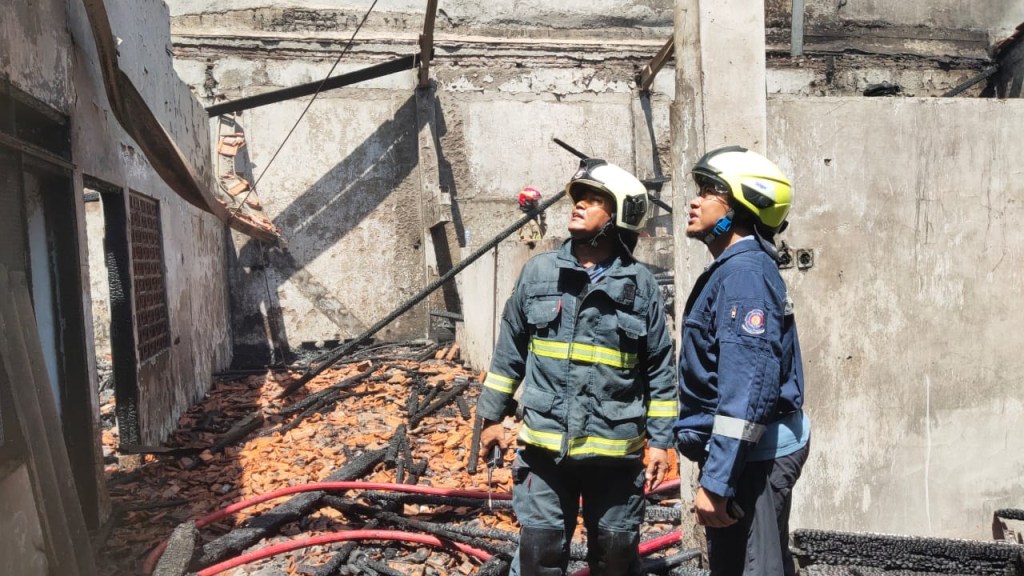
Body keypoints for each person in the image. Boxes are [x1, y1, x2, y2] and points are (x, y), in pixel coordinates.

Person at [475, 158, 678, 576]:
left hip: (616, 457)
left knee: (616, 558)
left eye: (593, 199)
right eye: (578, 198)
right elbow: (508, 352)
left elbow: (659, 368)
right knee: (540, 556)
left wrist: (660, 442)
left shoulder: (640, 285)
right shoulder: (539, 273)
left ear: (620, 214)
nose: (578, 205)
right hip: (546, 454)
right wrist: (491, 417)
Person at [674, 145, 811, 576]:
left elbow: (748, 388)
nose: (694, 200)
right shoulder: (733, 269)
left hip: (751, 461)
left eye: (710, 191)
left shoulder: (744, 276)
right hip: (741, 458)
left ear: (742, 206)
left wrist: (716, 482)